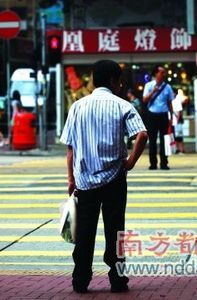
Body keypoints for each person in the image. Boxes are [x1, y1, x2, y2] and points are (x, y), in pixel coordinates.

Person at [60, 60, 148, 294]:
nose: (120, 84)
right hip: (115, 179)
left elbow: (70, 149)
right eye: (119, 80)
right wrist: (130, 162)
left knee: (85, 231)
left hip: (85, 180)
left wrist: (71, 179)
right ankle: (117, 280)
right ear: (112, 80)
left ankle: (80, 280)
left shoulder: (77, 107)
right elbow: (142, 135)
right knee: (115, 229)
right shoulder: (122, 105)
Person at [142, 65, 174, 170]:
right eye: (161, 72)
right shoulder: (149, 85)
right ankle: (153, 163)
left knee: (165, 139)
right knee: (152, 140)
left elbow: (170, 103)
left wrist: (171, 117)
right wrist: (153, 91)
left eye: (164, 72)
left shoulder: (167, 87)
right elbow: (145, 100)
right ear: (156, 74)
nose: (163, 74)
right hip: (152, 115)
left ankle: (164, 163)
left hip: (164, 115)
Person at [172, 89, 189, 154]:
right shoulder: (171, 101)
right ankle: (177, 149)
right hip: (173, 121)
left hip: (177, 121)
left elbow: (179, 112)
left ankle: (181, 149)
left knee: (179, 136)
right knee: (175, 136)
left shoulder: (177, 101)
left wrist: (177, 120)